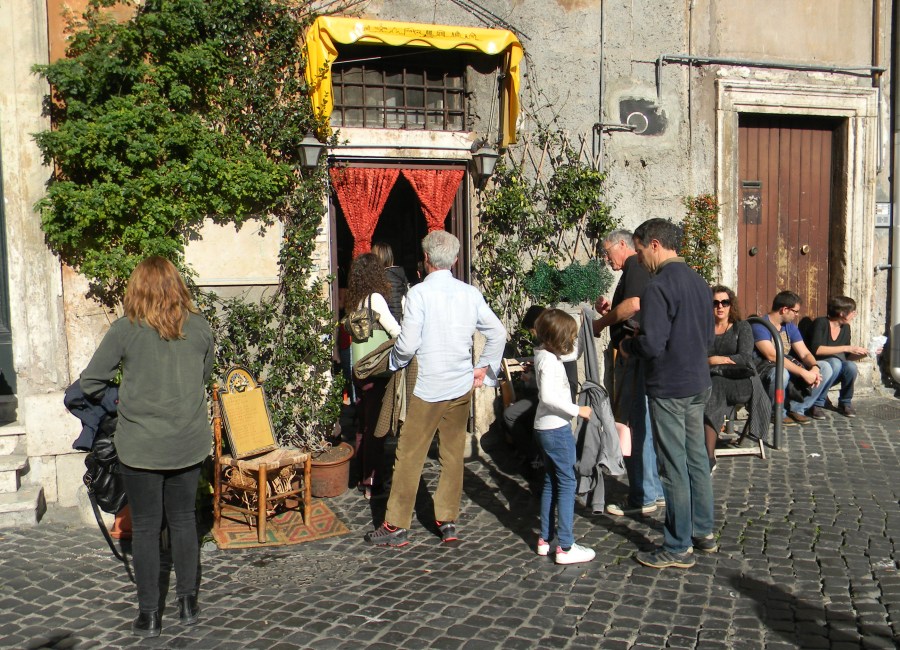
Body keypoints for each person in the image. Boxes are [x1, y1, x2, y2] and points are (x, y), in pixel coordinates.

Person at [79, 256, 214, 637]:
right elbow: (203, 376)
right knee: (184, 520)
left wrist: (120, 398)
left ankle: (150, 615)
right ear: (178, 287)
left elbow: (91, 382)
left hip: (140, 445)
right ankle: (187, 604)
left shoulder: (125, 330)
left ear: (136, 289)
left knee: (146, 527)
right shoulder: (200, 327)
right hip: (187, 440)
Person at [364, 230, 506, 546]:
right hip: (460, 385)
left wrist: (394, 362)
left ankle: (396, 525)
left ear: (426, 259)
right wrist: (483, 368)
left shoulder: (419, 294)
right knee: (452, 454)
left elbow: (407, 344)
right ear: (454, 260)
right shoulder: (470, 293)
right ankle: (447, 520)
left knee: (409, 454)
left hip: (427, 388)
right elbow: (497, 332)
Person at [619, 218, 716, 569]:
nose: (639, 258)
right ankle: (703, 532)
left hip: (670, 386)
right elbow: (708, 337)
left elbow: (652, 344)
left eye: (640, 250)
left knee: (674, 466)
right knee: (696, 460)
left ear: (655, 244)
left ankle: (677, 546)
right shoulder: (699, 282)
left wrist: (629, 345)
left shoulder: (658, 286)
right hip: (698, 382)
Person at [592, 229, 665, 517]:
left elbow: (634, 305)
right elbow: (632, 308)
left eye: (606, 252)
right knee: (644, 422)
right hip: (641, 353)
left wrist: (601, 323)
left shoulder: (635, 263)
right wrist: (612, 312)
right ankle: (654, 490)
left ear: (622, 244)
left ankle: (643, 495)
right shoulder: (638, 268)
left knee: (636, 425)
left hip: (633, 355)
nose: (606, 258)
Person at [532, 309, 595, 564]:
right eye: (570, 336)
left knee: (551, 481)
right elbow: (548, 397)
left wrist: (585, 322)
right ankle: (566, 547)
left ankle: (545, 539)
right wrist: (577, 410)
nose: (572, 340)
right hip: (556, 429)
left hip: (544, 428)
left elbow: (574, 352)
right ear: (559, 338)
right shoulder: (549, 361)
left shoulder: (544, 353)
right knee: (568, 483)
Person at [345, 253, 402, 500]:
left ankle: (362, 477)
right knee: (376, 427)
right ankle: (372, 481)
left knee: (363, 425)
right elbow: (395, 330)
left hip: (359, 369)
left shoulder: (356, 300)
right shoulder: (375, 299)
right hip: (376, 369)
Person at [704, 285, 772, 470]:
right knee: (712, 385)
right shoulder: (704, 329)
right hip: (711, 380)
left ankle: (708, 456)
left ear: (731, 305)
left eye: (725, 302)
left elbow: (745, 358)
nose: (720, 306)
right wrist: (713, 360)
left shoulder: (742, 327)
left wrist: (714, 360)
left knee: (715, 385)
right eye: (715, 303)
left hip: (742, 381)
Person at [751, 291, 834, 425]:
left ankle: (797, 408)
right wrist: (803, 373)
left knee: (826, 368)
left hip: (787, 364)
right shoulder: (760, 325)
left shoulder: (790, 327)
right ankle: (776, 413)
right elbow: (771, 355)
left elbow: (804, 353)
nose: (797, 315)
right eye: (795, 311)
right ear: (784, 309)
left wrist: (814, 367)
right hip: (764, 369)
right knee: (781, 373)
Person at [808, 296, 874, 418]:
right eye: (853, 311)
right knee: (835, 362)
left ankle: (845, 402)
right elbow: (816, 349)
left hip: (835, 370)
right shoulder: (821, 323)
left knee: (851, 366)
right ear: (842, 313)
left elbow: (847, 357)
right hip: (818, 367)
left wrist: (866, 353)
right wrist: (846, 348)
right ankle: (817, 403)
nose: (855, 314)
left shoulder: (845, 328)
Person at [372, 241, 409, 322]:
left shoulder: (389, 276)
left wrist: (394, 326)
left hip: (392, 325)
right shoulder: (389, 275)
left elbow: (395, 308)